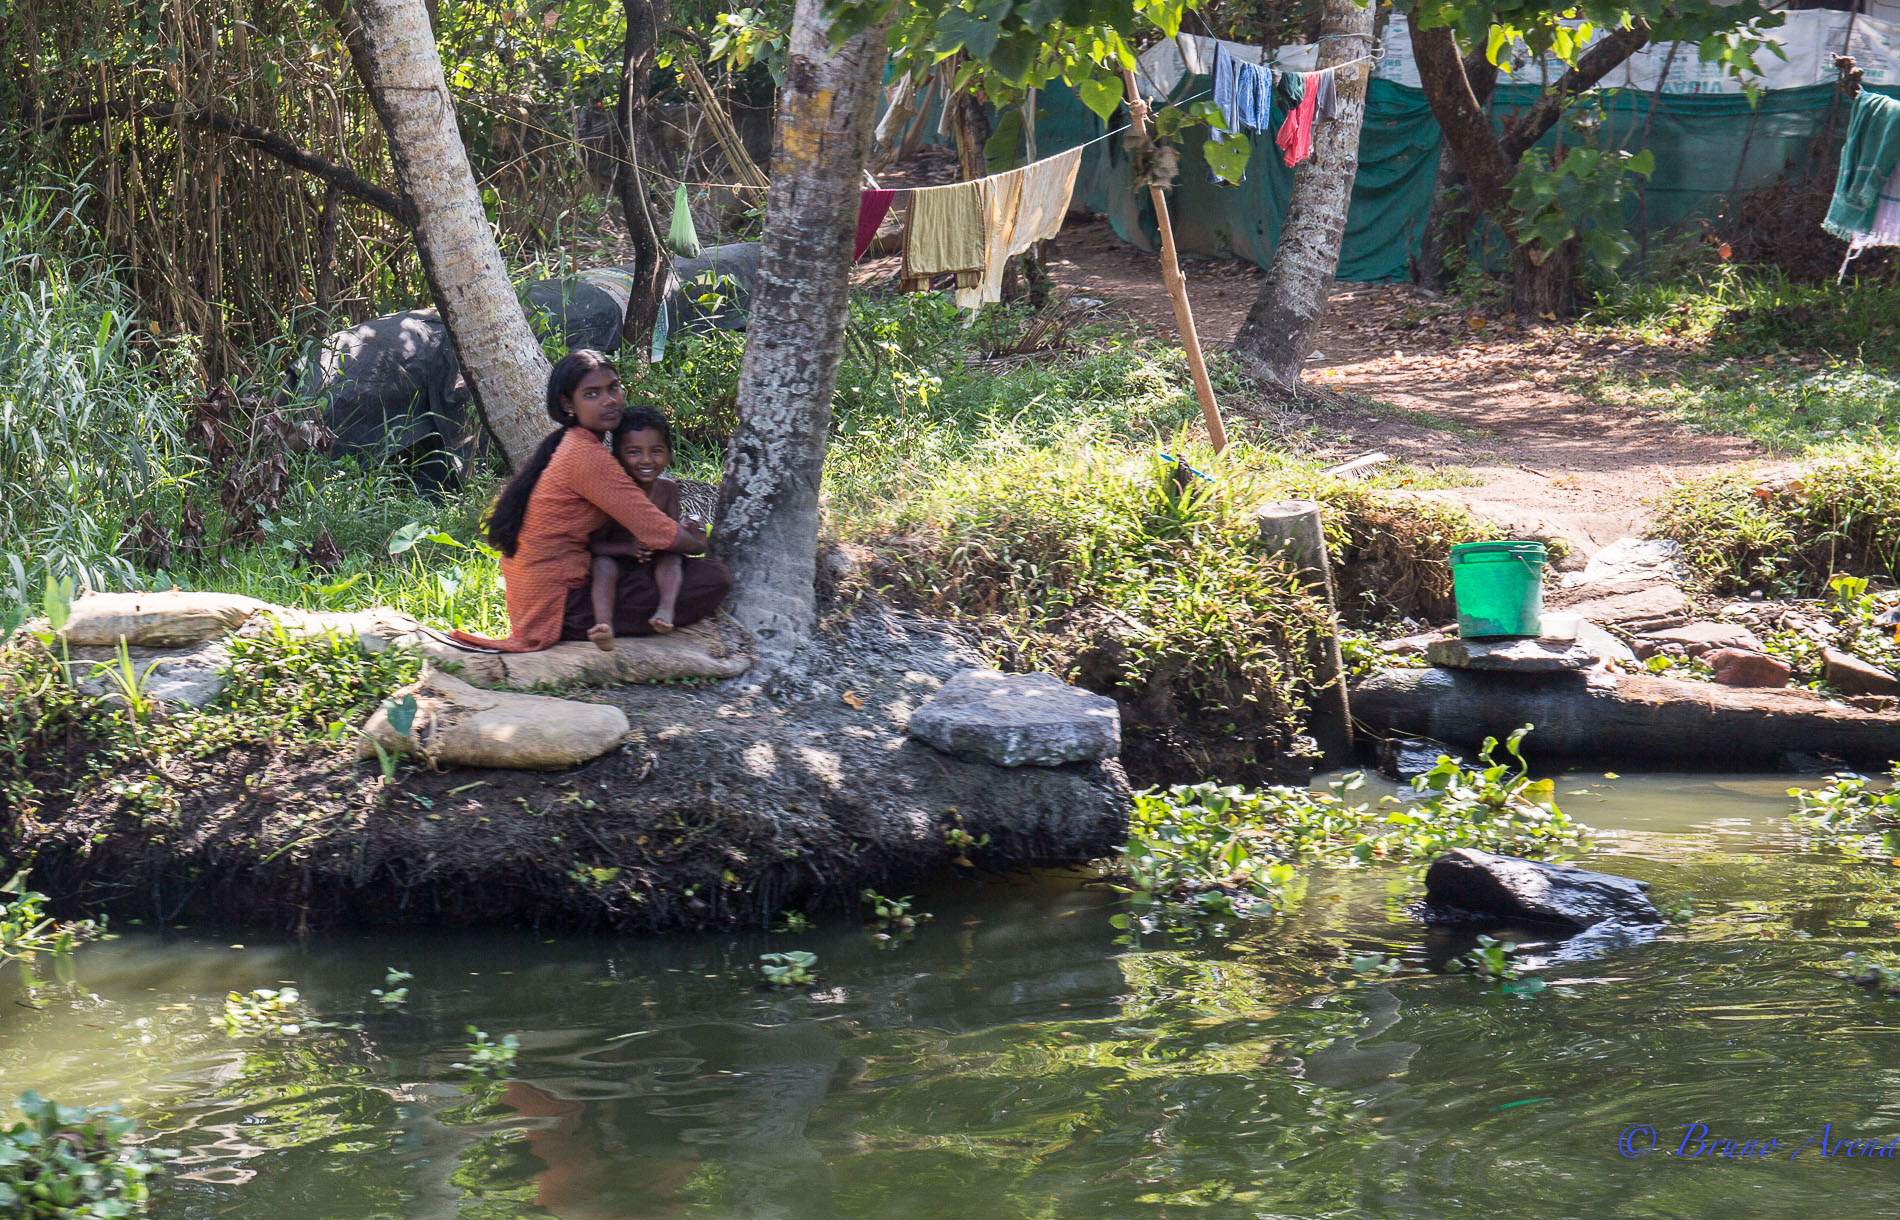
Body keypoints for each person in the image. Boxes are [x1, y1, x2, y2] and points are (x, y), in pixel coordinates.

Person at [447, 350, 731, 653]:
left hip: (545, 598)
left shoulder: (573, 445)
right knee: (713, 578)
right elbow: (657, 531)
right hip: (562, 606)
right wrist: (698, 543)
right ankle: (602, 625)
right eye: (592, 394)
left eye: (614, 388)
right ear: (569, 404)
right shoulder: (587, 458)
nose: (609, 400)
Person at [585, 406, 702, 648]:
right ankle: (604, 625)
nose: (646, 460)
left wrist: (688, 532)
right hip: (620, 560)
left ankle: (665, 610)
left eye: (656, 451)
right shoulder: (613, 491)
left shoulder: (668, 490)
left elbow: (671, 534)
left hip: (655, 565)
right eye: (634, 452)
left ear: (669, 455)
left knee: (672, 559)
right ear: (617, 457)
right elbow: (595, 545)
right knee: (602, 566)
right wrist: (628, 548)